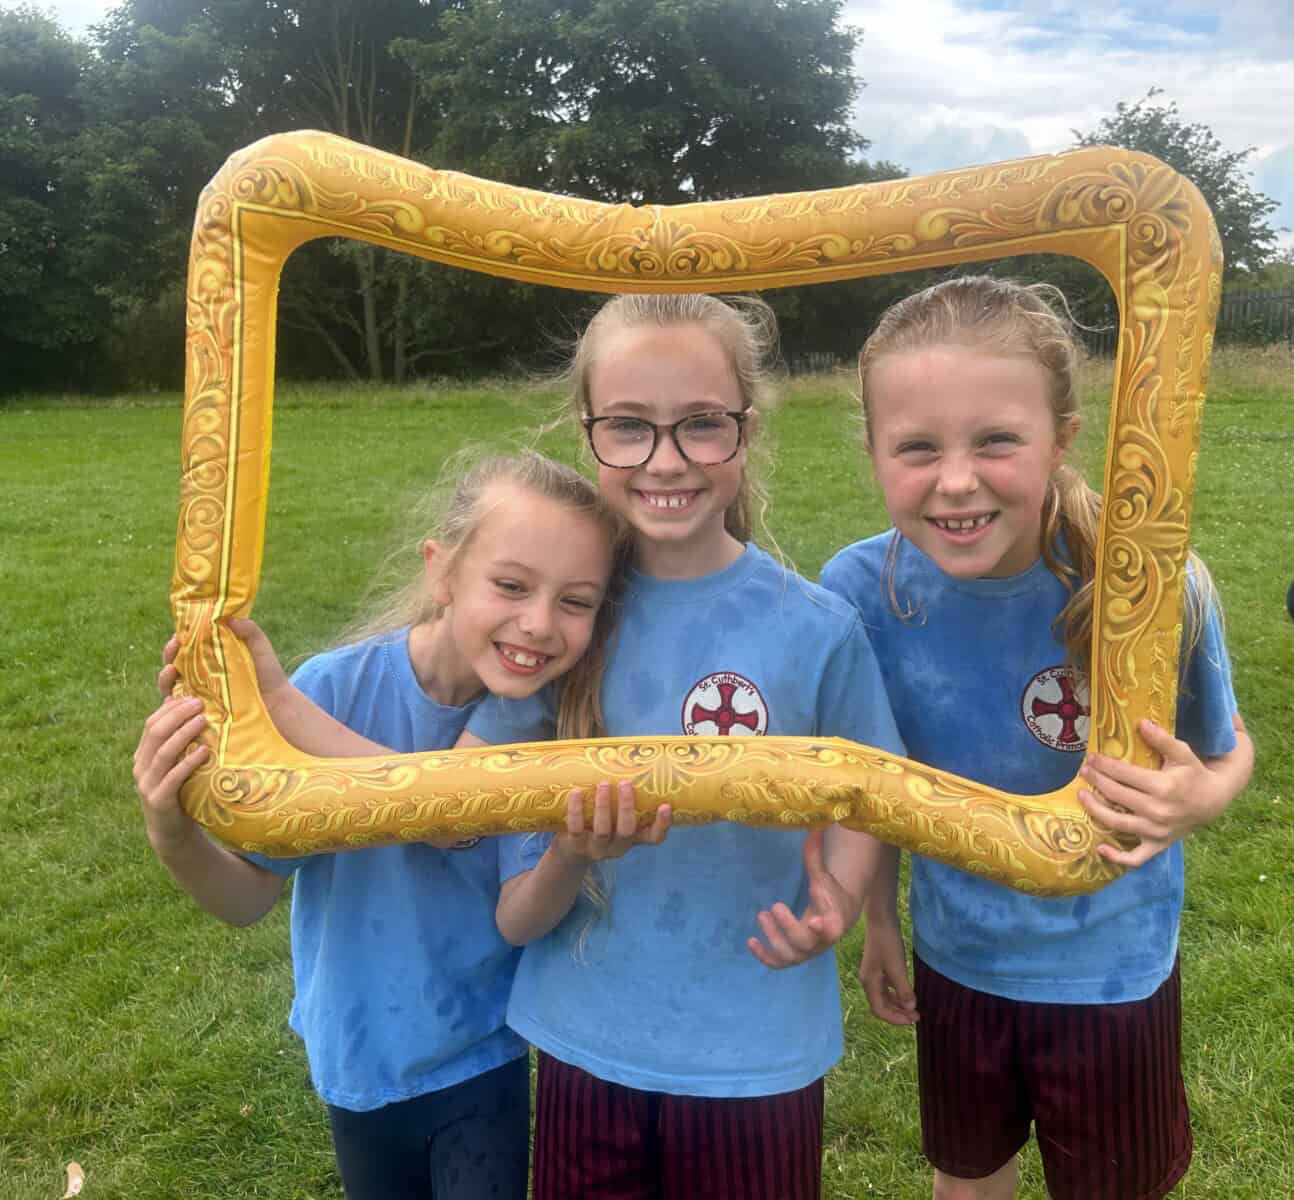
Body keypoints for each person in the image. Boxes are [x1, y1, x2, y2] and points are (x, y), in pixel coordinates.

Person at [458, 293, 907, 1200]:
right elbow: (469, 798)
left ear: (748, 428)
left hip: (759, 1048)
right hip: (587, 1037)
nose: (665, 461)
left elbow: (869, 793)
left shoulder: (818, 629)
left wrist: (840, 898)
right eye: (628, 426)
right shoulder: (559, 622)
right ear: (587, 432)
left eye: (701, 424)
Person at [819, 276, 1254, 1200]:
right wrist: (880, 922)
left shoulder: (1146, 586)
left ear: (1063, 437)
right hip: (958, 959)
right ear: (872, 452)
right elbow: (871, 778)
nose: (957, 480)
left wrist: (1200, 797)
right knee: (967, 1174)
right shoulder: (859, 594)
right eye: (918, 447)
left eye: (997, 440)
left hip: (1111, 971)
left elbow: (1227, 751)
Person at [132, 451, 629, 1200]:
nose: (537, 624)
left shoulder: (530, 716)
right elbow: (246, 897)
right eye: (511, 586)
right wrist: (172, 831)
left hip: (478, 1057)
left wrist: (569, 854)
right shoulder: (332, 689)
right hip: (355, 1059)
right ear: (443, 573)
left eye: (576, 601)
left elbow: (459, 834)